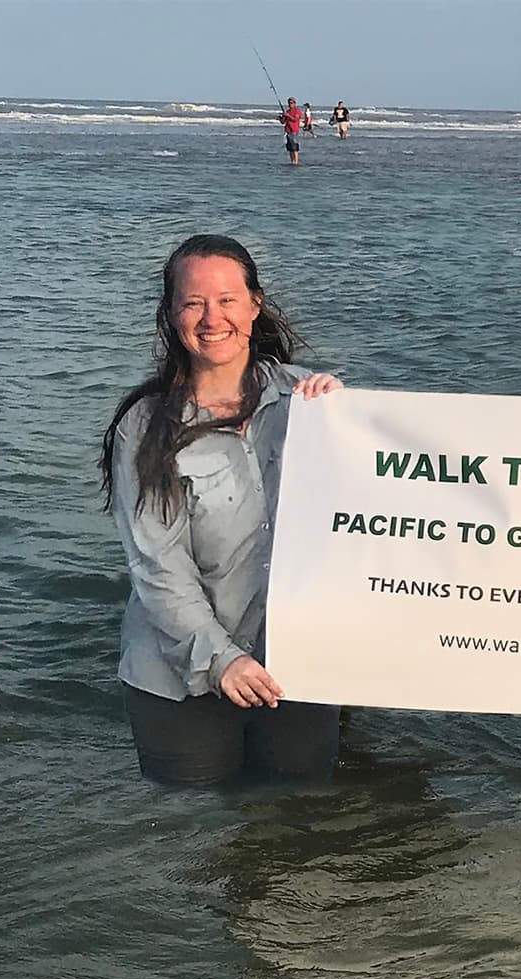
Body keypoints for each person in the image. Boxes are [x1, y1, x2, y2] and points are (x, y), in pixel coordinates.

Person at [100, 234, 344, 785]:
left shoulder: (312, 404)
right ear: (171, 315)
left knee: (301, 819)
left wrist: (353, 423)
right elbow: (157, 568)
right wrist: (222, 659)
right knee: (193, 836)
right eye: (193, 303)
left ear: (255, 306)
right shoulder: (144, 426)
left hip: (296, 664)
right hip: (178, 676)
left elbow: (373, 521)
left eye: (228, 300)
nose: (213, 318)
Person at [280, 96, 301, 164]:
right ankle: (292, 161)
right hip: (288, 130)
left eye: (291, 103)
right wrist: (281, 118)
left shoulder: (297, 110)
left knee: (294, 147)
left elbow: (295, 119)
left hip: (294, 130)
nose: (290, 104)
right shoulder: (288, 111)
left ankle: (296, 161)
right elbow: (283, 122)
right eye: (289, 103)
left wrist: (288, 115)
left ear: (295, 103)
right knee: (290, 148)